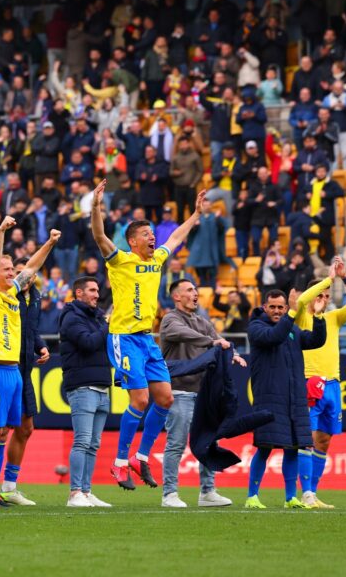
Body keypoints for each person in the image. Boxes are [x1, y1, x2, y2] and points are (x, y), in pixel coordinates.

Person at [91, 179, 207, 490]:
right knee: (140, 399)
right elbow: (99, 235)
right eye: (146, 234)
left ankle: (140, 457)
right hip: (123, 337)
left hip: (146, 338)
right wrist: (96, 206)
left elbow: (177, 236)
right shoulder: (120, 260)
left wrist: (196, 214)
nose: (152, 237)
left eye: (152, 233)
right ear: (132, 241)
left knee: (165, 398)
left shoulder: (156, 260)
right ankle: (118, 463)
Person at [0, 227, 59, 507]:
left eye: (12, 269)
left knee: (3, 433)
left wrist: (50, 243)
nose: (11, 273)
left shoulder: (13, 294)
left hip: (15, 373)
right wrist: (0, 231)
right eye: (6, 269)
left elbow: (31, 268)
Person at [159, 279, 245, 508]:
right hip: (179, 390)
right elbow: (187, 334)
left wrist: (233, 355)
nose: (195, 293)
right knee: (176, 444)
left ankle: (207, 492)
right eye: (189, 290)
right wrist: (213, 342)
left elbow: (220, 343)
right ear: (177, 296)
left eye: (196, 290)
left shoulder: (203, 322)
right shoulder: (170, 319)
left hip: (203, 394)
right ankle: (169, 494)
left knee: (208, 443)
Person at [245, 281, 328, 509]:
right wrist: (292, 312)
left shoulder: (292, 329)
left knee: (293, 447)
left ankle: (290, 497)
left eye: (281, 307)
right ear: (264, 307)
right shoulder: (256, 328)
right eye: (272, 307)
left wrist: (318, 316)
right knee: (264, 447)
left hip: (294, 398)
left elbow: (316, 341)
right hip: (269, 398)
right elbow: (274, 336)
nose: (277, 311)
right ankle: (252, 497)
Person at [297, 256, 346, 508]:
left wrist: (344, 278)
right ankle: (305, 493)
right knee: (307, 438)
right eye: (320, 295)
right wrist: (328, 280)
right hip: (310, 382)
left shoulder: (333, 318)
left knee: (324, 440)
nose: (323, 299)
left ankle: (313, 493)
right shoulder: (302, 317)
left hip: (333, 385)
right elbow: (302, 300)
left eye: (326, 295)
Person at [59, 276, 112, 508]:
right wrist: (107, 325)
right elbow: (88, 343)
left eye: (97, 290)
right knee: (82, 441)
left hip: (101, 385)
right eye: (92, 290)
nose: (97, 295)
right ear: (79, 293)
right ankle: (75, 492)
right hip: (82, 386)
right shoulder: (71, 317)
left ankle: (86, 491)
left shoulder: (96, 317)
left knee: (93, 444)